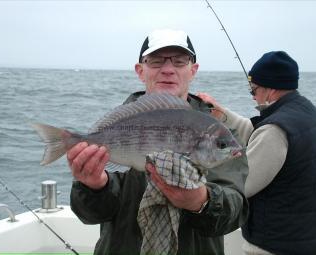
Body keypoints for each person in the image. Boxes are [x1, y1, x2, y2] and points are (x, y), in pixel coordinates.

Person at [67, 29, 249, 255]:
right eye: (155, 61)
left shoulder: (219, 136)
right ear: (140, 71)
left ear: (193, 70)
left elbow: (236, 211)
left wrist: (201, 201)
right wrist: (93, 187)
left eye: (180, 61)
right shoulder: (118, 128)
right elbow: (91, 215)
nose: (168, 69)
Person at [198, 51, 316, 255]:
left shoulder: (274, 132)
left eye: (253, 89)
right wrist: (222, 115)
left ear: (270, 90)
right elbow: (260, 133)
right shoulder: (305, 112)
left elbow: (241, 183)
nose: (252, 95)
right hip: (303, 237)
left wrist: (200, 171)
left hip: (274, 245)